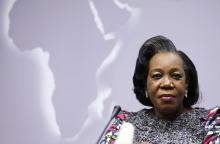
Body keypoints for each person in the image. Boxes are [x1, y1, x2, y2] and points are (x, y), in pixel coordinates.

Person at [99, 36, 220, 144]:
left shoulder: (211, 122)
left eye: (176, 76)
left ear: (186, 83)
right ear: (145, 84)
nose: (167, 83)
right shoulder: (124, 123)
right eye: (157, 76)